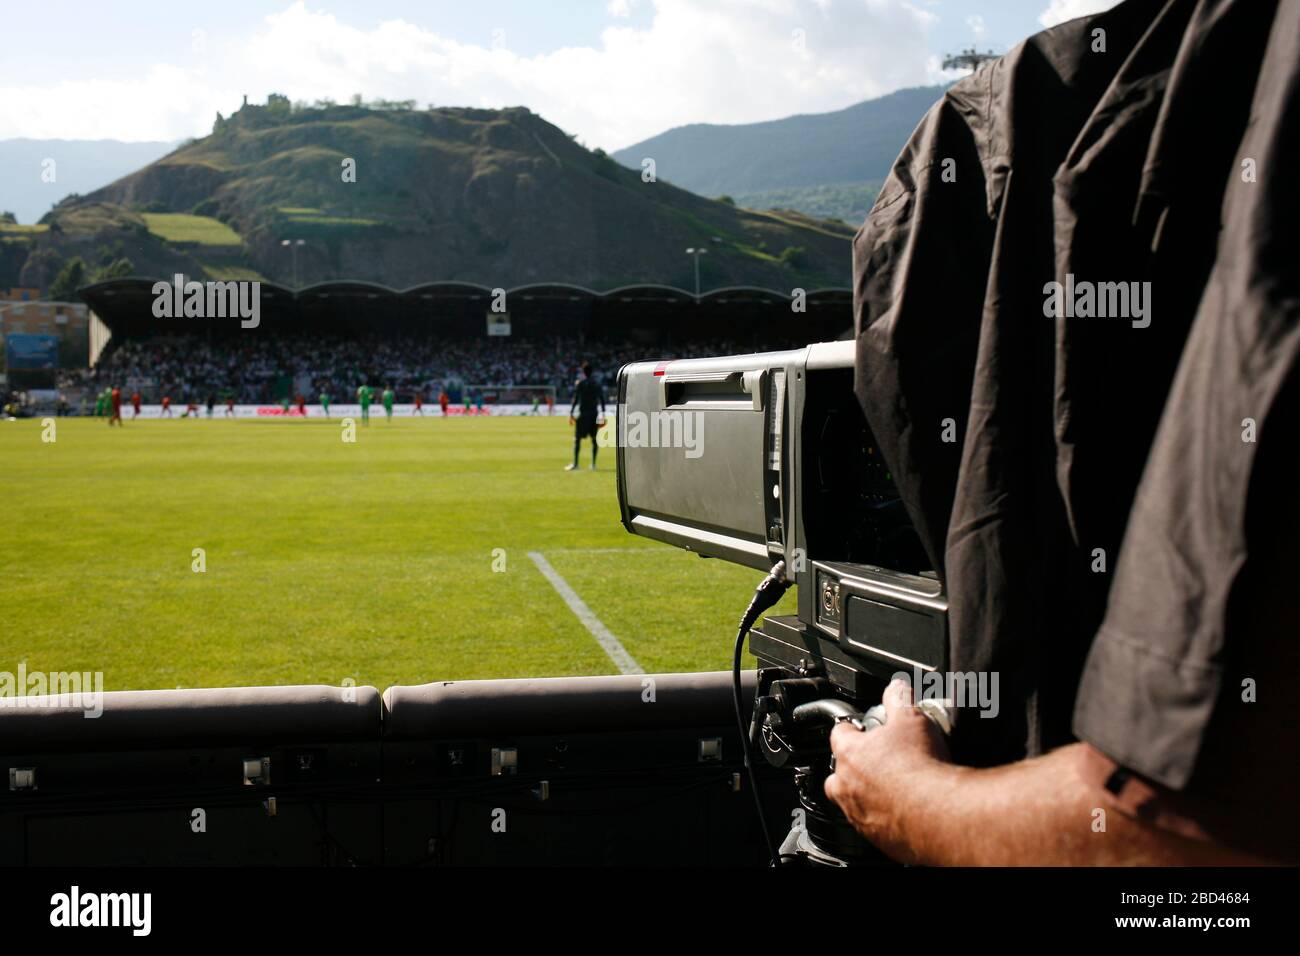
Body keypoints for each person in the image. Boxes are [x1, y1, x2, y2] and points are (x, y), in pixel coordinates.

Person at [566, 362, 605, 472]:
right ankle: (593, 464)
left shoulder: (580, 383)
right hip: (594, 414)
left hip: (583, 415)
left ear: (583, 372)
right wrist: (603, 414)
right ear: (592, 372)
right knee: (594, 440)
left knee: (577, 440)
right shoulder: (596, 384)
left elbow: (576, 399)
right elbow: (602, 400)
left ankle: (576, 464)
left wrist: (571, 412)